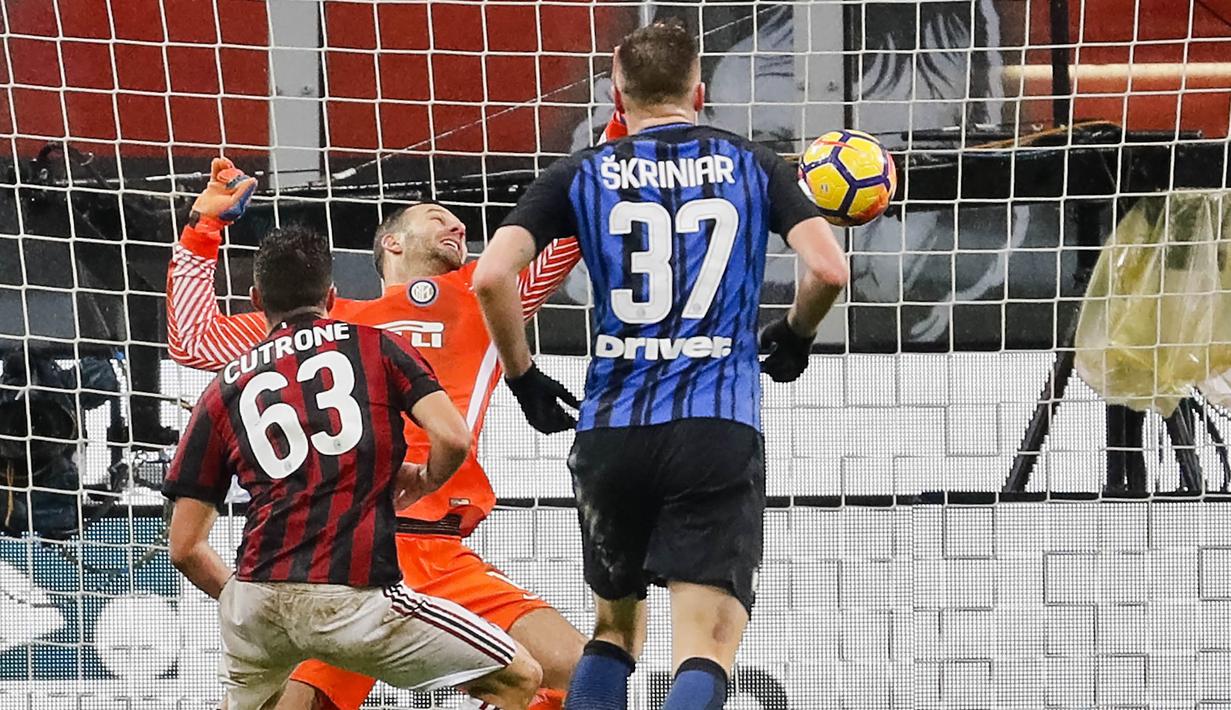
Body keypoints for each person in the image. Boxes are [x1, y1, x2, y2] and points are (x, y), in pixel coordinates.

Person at [164, 120, 618, 709]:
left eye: (458, 221)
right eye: (436, 215)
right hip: (342, 553)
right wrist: (203, 230)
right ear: (392, 244)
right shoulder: (324, 322)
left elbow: (567, 235)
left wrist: (619, 135)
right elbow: (194, 339)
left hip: (440, 550)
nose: (457, 224)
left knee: (575, 675)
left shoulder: (484, 296)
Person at [473, 20, 848, 710]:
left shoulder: (579, 171)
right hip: (714, 424)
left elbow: (492, 277)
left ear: (618, 92)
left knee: (614, 631)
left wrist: (522, 377)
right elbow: (827, 268)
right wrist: (795, 334)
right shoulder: (753, 163)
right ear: (698, 89)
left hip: (611, 429)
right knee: (705, 640)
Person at [162, 222, 542, 710]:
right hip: (358, 579)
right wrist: (425, 478)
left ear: (258, 300)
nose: (453, 224)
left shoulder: (224, 388)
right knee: (522, 676)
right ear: (332, 293)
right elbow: (452, 436)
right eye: (432, 214)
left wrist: (201, 230)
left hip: (259, 594)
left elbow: (184, 547)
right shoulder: (373, 343)